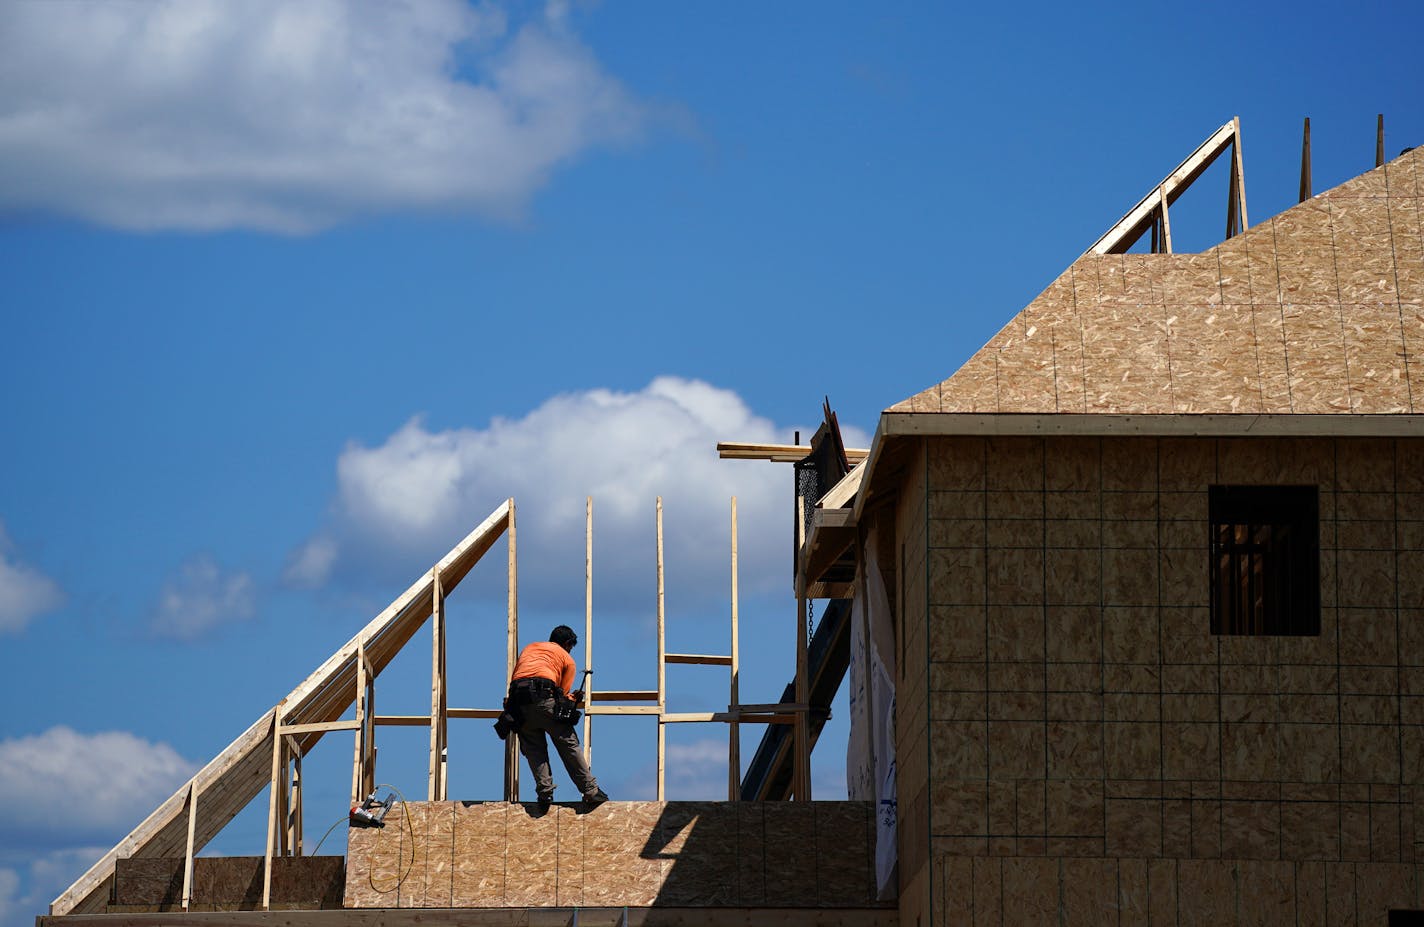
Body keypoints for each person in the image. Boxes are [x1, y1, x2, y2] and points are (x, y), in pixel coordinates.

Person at [506, 625, 608, 811]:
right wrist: (574, 699)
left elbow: (521, 675)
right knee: (568, 743)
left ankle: (545, 793)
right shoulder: (566, 659)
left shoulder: (530, 648)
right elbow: (563, 697)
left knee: (534, 748)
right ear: (568, 644)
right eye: (571, 646)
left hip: (518, 703)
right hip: (543, 698)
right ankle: (591, 791)